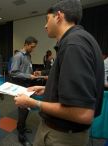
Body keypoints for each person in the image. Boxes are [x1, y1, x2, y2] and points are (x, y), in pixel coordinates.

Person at [14, 0, 104, 146]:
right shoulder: (79, 40)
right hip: (64, 132)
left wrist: (34, 103)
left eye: (47, 19)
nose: (45, 25)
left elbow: (82, 113)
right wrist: (47, 88)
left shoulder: (73, 45)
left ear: (59, 16)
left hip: (62, 136)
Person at [10, 36, 38, 146]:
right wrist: (28, 75)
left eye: (34, 47)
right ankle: (21, 136)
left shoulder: (28, 55)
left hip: (28, 84)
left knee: (26, 108)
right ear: (26, 44)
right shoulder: (18, 56)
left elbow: (27, 69)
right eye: (32, 47)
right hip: (21, 85)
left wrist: (33, 73)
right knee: (23, 109)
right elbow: (13, 72)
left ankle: (20, 127)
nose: (33, 49)